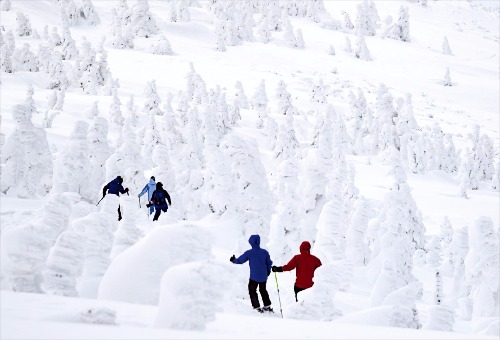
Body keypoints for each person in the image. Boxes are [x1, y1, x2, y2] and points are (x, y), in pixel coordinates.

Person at [230, 234, 273, 313]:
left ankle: (256, 307)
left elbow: (240, 260)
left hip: (254, 277)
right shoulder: (265, 252)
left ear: (251, 242)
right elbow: (269, 263)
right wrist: (268, 271)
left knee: (252, 290)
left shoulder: (249, 253)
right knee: (263, 290)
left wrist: (233, 260)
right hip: (264, 276)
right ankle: (267, 306)